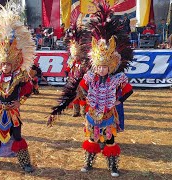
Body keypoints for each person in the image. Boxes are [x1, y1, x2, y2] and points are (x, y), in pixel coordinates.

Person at [0, 3, 35, 173]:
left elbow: (28, 90)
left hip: (13, 112)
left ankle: (24, 162)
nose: (5, 67)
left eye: (8, 65)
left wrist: (20, 102)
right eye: (2, 64)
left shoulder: (20, 76)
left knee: (17, 135)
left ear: (13, 63)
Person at [78, 2, 133, 177]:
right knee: (92, 139)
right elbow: (81, 88)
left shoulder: (117, 79)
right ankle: (88, 163)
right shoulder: (90, 78)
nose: (102, 69)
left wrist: (119, 100)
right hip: (93, 114)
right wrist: (87, 97)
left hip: (109, 116)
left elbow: (128, 90)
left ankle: (113, 167)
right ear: (95, 66)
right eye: (99, 67)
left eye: (105, 67)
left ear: (110, 66)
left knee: (110, 140)